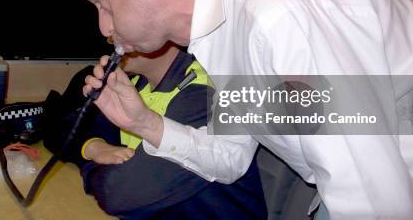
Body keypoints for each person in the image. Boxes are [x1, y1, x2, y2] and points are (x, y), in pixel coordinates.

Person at [54, 0, 413, 219]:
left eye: (102, 3)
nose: (104, 27)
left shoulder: (275, 11)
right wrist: (144, 122)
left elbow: (368, 187)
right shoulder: (221, 33)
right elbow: (231, 157)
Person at [57, 43, 267, 219]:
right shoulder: (137, 85)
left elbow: (120, 192)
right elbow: (61, 130)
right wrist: (94, 147)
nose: (108, 33)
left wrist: (90, 167)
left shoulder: (204, 91)